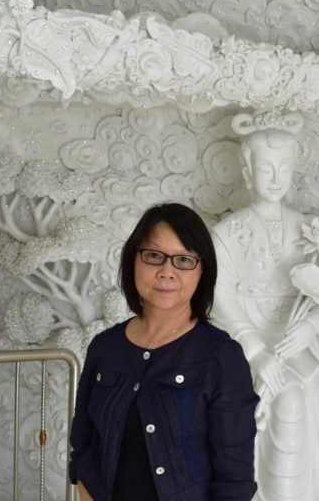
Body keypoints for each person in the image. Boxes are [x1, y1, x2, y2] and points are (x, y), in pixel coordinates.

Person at [211, 113, 319, 501]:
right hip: (253, 344)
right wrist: (256, 352)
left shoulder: (312, 231)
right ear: (247, 173)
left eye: (283, 168)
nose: (276, 178)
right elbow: (219, 298)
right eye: (266, 169)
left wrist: (312, 326)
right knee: (289, 399)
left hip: (300, 341)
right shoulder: (225, 234)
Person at [69, 202, 259, 501]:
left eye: (184, 259)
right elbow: (83, 444)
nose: (166, 272)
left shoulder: (221, 356)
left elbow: (234, 481)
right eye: (154, 256)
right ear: (133, 259)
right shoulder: (105, 347)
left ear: (202, 271)